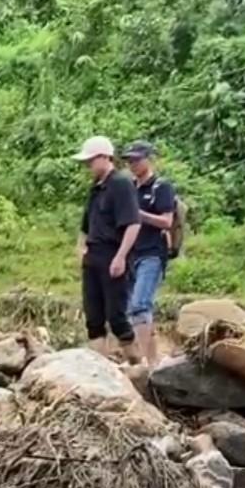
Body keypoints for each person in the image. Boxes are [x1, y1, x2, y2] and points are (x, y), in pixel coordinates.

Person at [73, 135, 141, 358]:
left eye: (91, 161)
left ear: (104, 157)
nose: (88, 166)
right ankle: (99, 365)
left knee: (117, 316)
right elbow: (86, 224)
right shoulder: (96, 188)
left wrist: (121, 257)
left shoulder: (121, 184)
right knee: (93, 317)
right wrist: (81, 248)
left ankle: (136, 363)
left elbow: (132, 223)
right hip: (93, 256)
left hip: (113, 253)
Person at [122, 140, 178, 365]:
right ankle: (147, 359)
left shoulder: (161, 186)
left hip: (152, 254)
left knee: (140, 305)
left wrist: (139, 214)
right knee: (129, 308)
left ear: (149, 159)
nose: (132, 164)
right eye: (128, 160)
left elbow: (166, 221)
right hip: (131, 255)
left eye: (136, 159)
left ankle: (147, 361)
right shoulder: (129, 188)